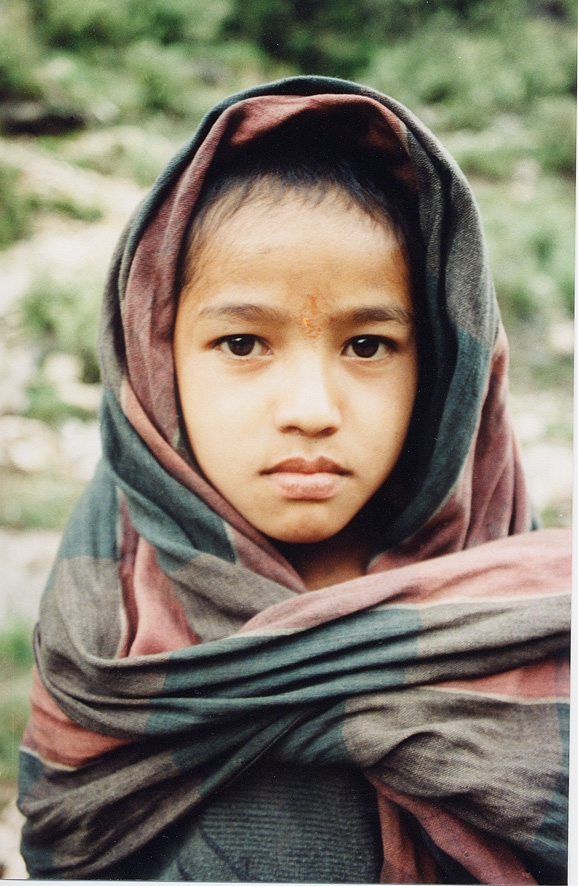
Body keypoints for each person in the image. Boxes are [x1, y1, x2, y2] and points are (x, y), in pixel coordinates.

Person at [18, 77, 570, 884]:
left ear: (446, 373)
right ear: (157, 361)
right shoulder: (106, 616)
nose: (311, 410)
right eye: (243, 344)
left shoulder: (531, 618)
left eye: (369, 346)